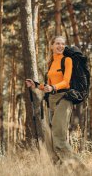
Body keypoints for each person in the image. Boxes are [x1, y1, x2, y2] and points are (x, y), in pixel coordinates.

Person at [26, 36, 81, 165]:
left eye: (62, 44)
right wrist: (36, 85)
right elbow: (48, 87)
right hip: (52, 100)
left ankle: (80, 170)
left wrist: (53, 87)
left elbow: (66, 82)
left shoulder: (67, 60)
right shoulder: (51, 63)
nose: (60, 46)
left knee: (58, 138)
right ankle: (59, 171)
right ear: (51, 46)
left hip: (64, 98)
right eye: (57, 43)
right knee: (49, 140)